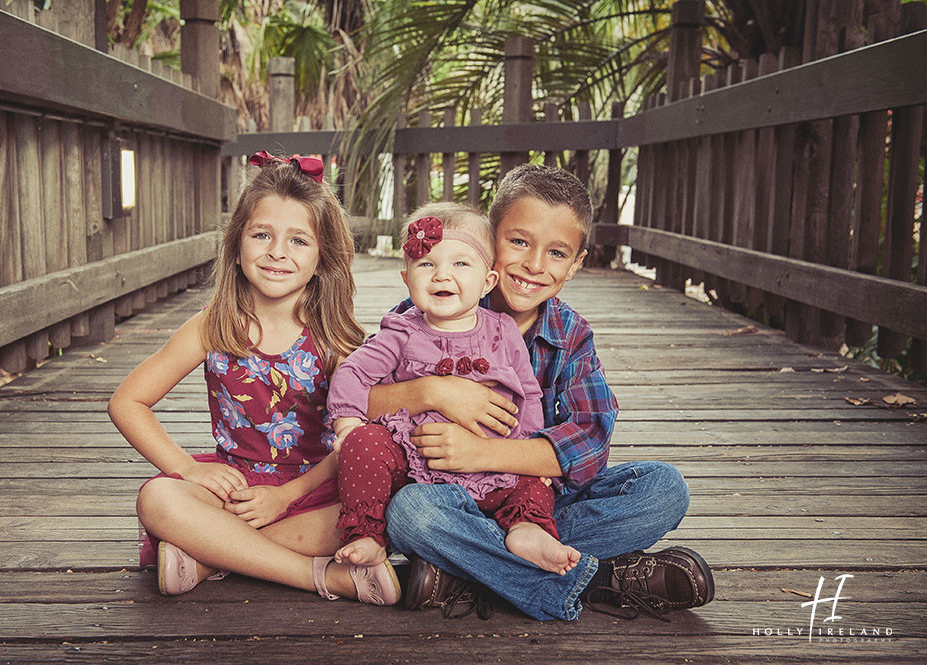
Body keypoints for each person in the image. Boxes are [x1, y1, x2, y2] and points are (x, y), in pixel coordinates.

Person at [370, 164, 715, 621]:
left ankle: (464, 569)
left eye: (556, 253)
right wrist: (433, 391)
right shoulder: (428, 305)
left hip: (536, 502)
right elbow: (360, 399)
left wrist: (481, 452)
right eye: (518, 242)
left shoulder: (569, 335)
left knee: (663, 489)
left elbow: (588, 445)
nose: (534, 265)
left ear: (575, 265)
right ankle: (600, 578)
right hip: (444, 494)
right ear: (489, 240)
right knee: (410, 514)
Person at [108, 151, 402, 606]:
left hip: (315, 486)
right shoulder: (213, 326)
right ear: (236, 245)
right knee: (159, 500)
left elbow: (355, 436)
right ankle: (317, 576)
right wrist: (188, 468)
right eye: (261, 234)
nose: (277, 252)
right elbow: (127, 401)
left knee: (390, 507)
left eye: (298, 241)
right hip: (236, 489)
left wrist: (286, 496)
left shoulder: (337, 341)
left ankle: (211, 554)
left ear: (324, 258)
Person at [326, 203, 582, 578]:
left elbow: (529, 394)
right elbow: (352, 372)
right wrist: (347, 424)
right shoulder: (401, 331)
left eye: (460, 264)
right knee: (368, 449)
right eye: (426, 265)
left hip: (498, 470)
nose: (441, 275)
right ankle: (368, 535)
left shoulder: (502, 331)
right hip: (422, 477)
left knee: (547, 485)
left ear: (487, 281)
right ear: (406, 278)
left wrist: (521, 451)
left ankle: (519, 532)